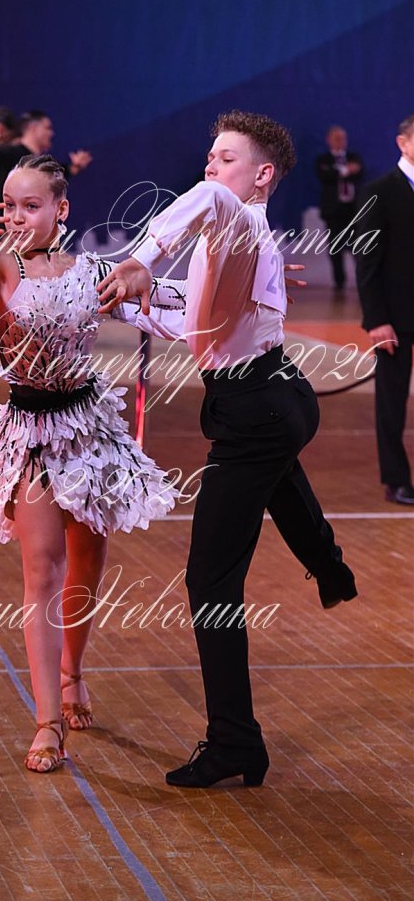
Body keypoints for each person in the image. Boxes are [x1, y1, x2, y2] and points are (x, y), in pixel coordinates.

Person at [98, 110, 358, 789]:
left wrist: (139, 261)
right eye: (210, 157)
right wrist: (123, 296)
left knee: (209, 581)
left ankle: (234, 741)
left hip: (255, 410)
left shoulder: (235, 217)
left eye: (226, 157)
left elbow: (209, 204)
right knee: (277, 473)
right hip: (278, 400)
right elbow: (197, 321)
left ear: (263, 175)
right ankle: (330, 568)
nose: (211, 168)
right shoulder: (244, 237)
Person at [0, 154, 177, 774]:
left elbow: (167, 306)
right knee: (41, 571)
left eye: (31, 206)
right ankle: (47, 722)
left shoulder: (91, 271)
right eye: (10, 206)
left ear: (61, 209)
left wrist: (252, 295)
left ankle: (72, 671)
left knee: (86, 563)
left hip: (89, 428)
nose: (17, 217)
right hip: (33, 432)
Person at [355, 114, 414, 505]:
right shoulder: (379, 192)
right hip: (395, 316)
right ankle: (396, 479)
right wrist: (376, 319)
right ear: (402, 143)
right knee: (392, 402)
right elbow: (367, 262)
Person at [0, 109, 92, 202]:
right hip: (5, 232)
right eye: (48, 128)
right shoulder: (14, 154)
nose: (52, 133)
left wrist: (75, 167)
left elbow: (58, 172)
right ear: (34, 128)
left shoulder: (39, 162)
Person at [316, 126, 364, 292]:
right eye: (336, 138)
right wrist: (345, 170)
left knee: (358, 246)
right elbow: (326, 176)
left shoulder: (353, 157)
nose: (340, 142)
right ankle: (339, 282)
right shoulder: (323, 160)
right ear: (329, 140)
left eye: (342, 138)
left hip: (352, 209)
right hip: (333, 211)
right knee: (336, 247)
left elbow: (359, 173)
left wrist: (342, 172)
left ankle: (363, 279)